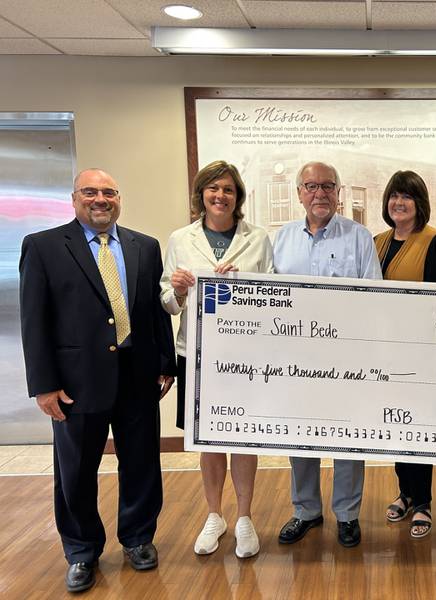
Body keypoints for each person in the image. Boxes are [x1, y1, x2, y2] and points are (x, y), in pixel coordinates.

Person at [19, 169, 177, 593]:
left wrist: (166, 362)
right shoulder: (44, 247)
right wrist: (44, 384)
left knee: (142, 464)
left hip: (138, 375)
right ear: (74, 199)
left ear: (119, 199)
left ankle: (139, 538)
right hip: (75, 382)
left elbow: (154, 311)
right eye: (90, 192)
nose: (100, 199)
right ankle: (81, 550)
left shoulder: (145, 246)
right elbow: (35, 322)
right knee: (75, 471)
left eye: (108, 192)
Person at [160, 160, 273, 559]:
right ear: (201, 195)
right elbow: (168, 303)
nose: (220, 196)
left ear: (238, 196)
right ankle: (214, 515)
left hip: (244, 356)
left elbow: (274, 295)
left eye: (227, 189)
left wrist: (247, 284)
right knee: (207, 439)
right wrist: (178, 289)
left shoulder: (258, 239)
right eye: (213, 189)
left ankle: (244, 517)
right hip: (197, 354)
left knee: (242, 435)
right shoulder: (179, 239)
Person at [273, 161, 382, 548]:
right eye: (311, 186)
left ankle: (348, 515)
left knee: (348, 438)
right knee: (299, 436)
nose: (320, 193)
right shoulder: (281, 239)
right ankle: (305, 510)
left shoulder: (359, 237)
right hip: (296, 362)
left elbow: (375, 297)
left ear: (339, 192)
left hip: (346, 360)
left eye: (328, 186)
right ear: (299, 192)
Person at [374, 170, 436, 539]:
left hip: (421, 354)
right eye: (394, 196)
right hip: (383, 353)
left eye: (407, 196)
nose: (399, 203)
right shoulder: (376, 241)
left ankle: (423, 501)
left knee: (418, 427)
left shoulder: (434, 241)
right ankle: (405, 492)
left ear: (419, 203)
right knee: (394, 424)